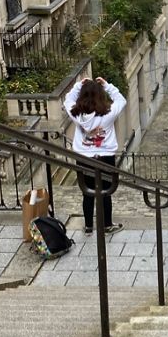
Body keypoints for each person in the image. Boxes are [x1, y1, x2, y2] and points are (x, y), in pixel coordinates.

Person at [63, 75, 127, 234]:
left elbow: (67, 99)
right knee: (106, 192)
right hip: (105, 156)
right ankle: (106, 225)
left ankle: (89, 226)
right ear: (100, 95)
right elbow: (121, 100)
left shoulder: (76, 114)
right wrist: (107, 85)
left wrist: (78, 85)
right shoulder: (108, 113)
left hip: (84, 156)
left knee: (87, 192)